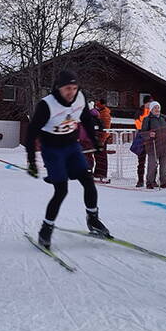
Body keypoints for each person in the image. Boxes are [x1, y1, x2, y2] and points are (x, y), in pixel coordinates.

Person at [25, 71, 110, 248]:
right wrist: (31, 161)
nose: (71, 92)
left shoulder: (80, 98)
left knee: (88, 180)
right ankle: (46, 229)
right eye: (67, 89)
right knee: (61, 190)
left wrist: (96, 141)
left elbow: (86, 119)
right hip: (52, 150)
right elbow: (31, 133)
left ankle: (93, 219)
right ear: (58, 88)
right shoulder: (46, 105)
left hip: (72, 147)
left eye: (74, 88)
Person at [140, 102, 166, 189]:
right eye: (155, 108)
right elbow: (142, 133)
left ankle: (164, 181)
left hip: (164, 144)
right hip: (152, 144)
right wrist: (149, 134)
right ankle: (150, 181)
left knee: (164, 165)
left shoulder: (164, 118)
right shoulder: (147, 119)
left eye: (158, 107)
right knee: (152, 165)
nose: (157, 109)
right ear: (151, 109)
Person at [133, 96, 152, 187]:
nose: (150, 104)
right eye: (149, 102)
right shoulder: (139, 112)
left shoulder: (153, 112)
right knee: (141, 160)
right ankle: (140, 180)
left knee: (153, 160)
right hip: (142, 137)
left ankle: (152, 179)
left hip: (151, 137)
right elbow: (137, 124)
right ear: (145, 103)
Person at [94, 98, 112, 180]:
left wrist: (102, 140)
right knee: (98, 155)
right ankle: (98, 173)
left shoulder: (104, 114)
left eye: (98, 104)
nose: (96, 105)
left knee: (101, 156)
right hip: (99, 137)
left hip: (102, 138)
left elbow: (106, 128)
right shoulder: (101, 112)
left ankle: (101, 173)